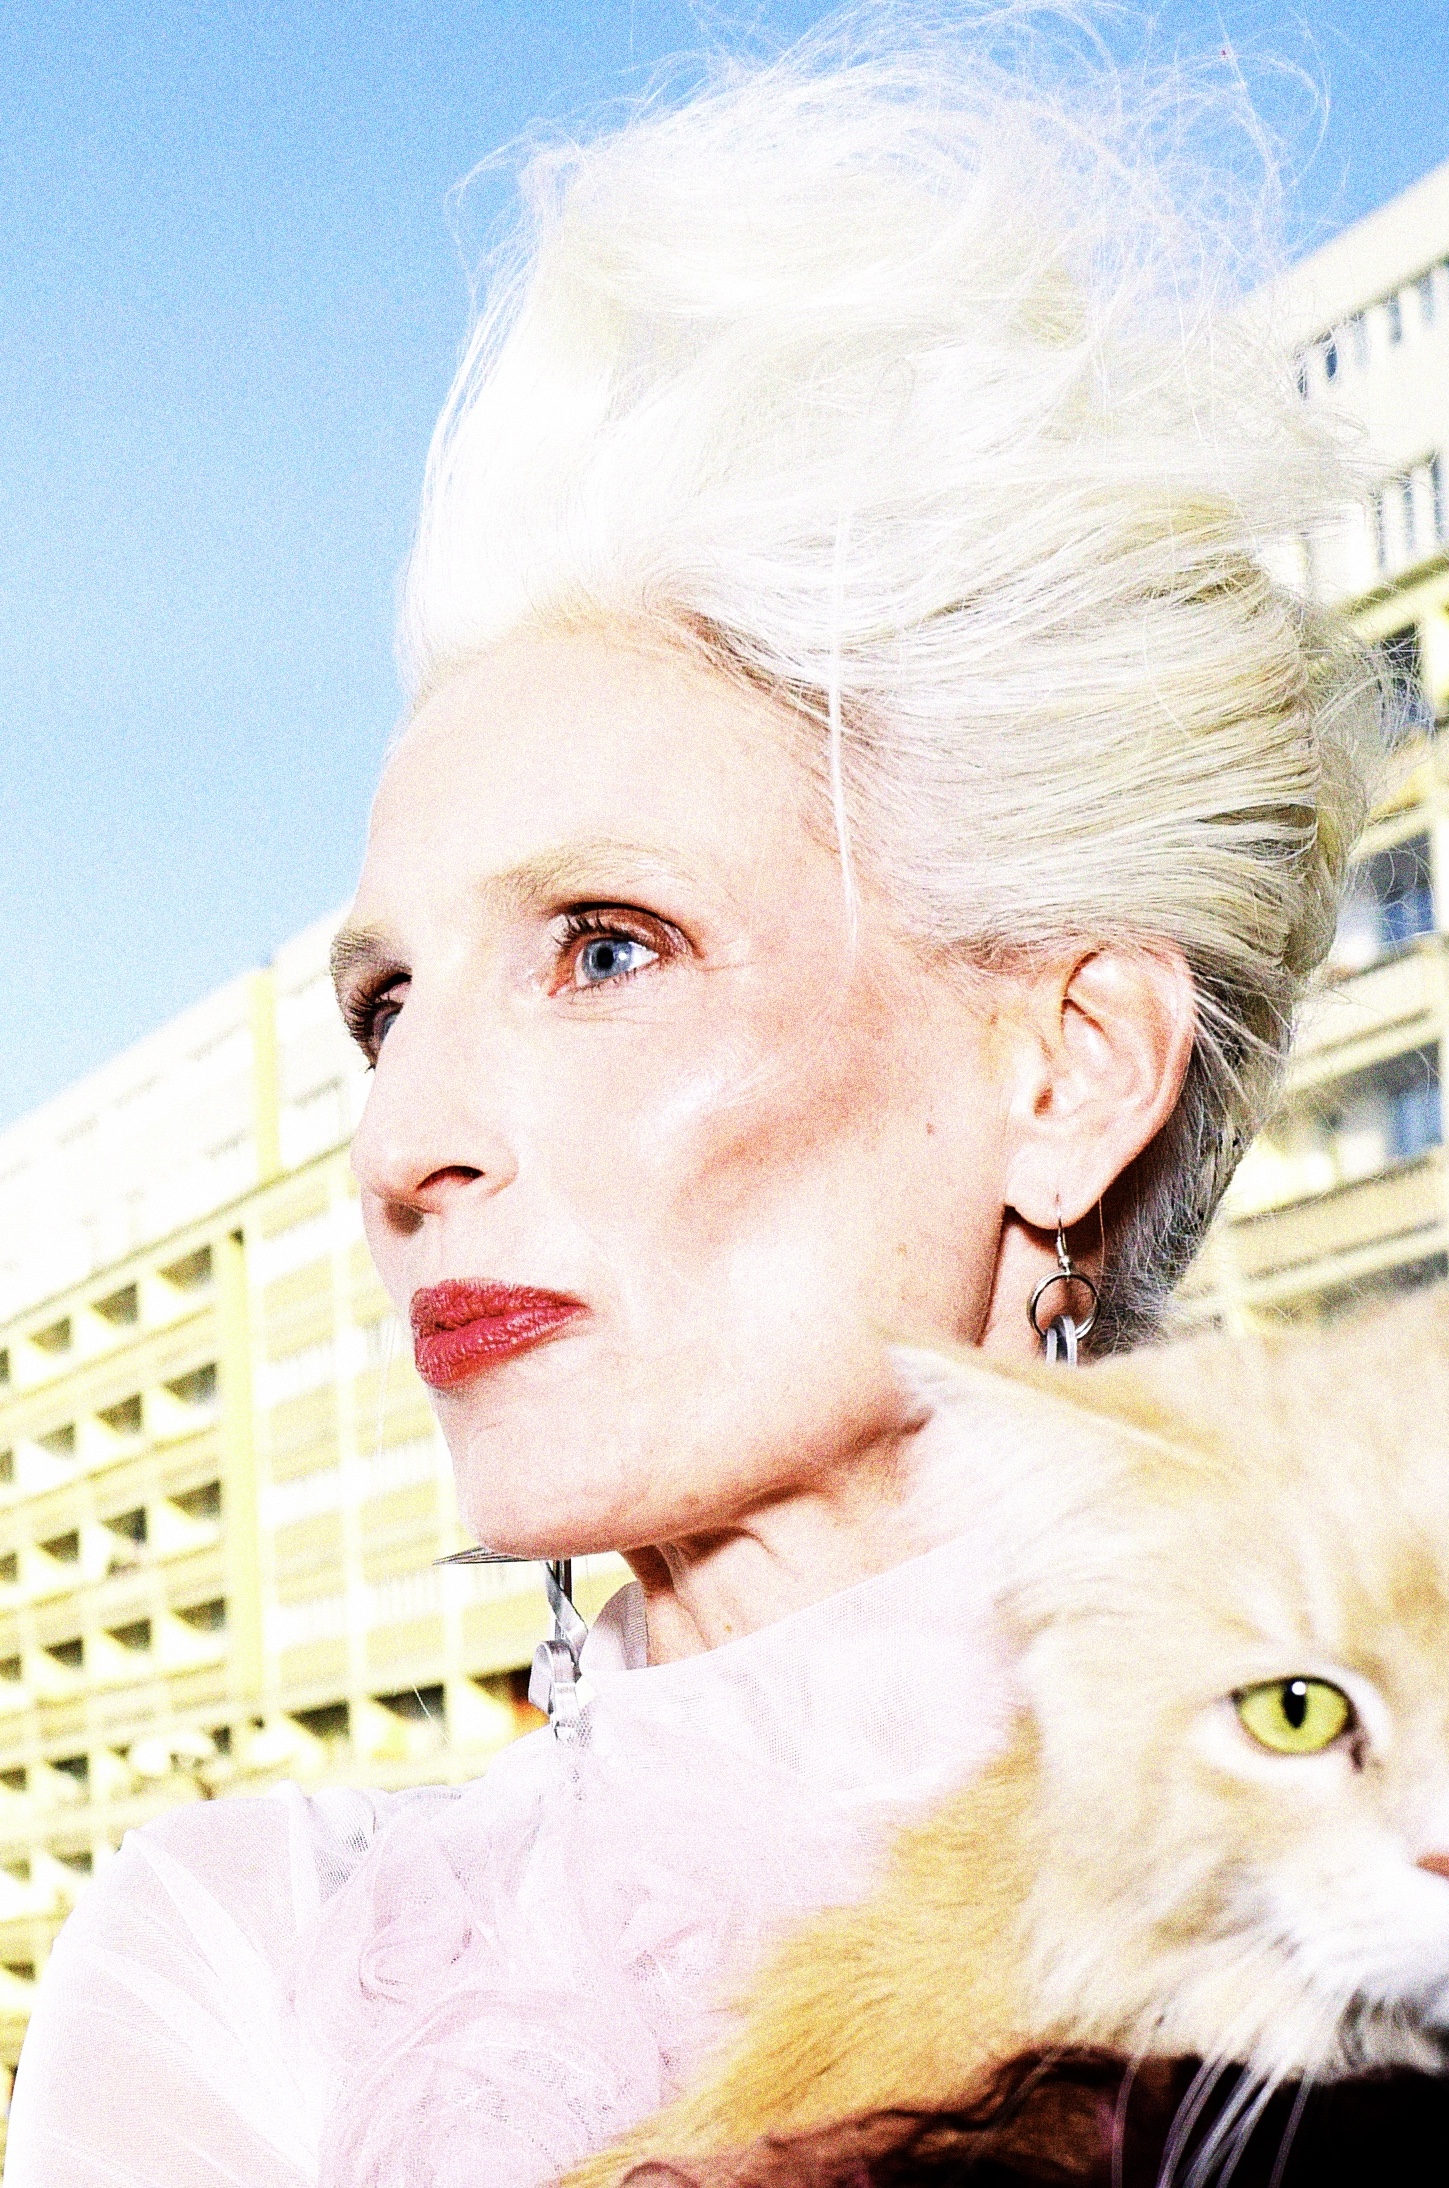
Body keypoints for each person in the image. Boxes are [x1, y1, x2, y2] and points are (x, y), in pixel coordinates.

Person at [4, 11, 1378, 2184]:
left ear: (1067, 1070)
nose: (400, 1145)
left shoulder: (1438, 1892)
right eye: (383, 1005)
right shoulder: (243, 1961)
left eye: (604, 948)